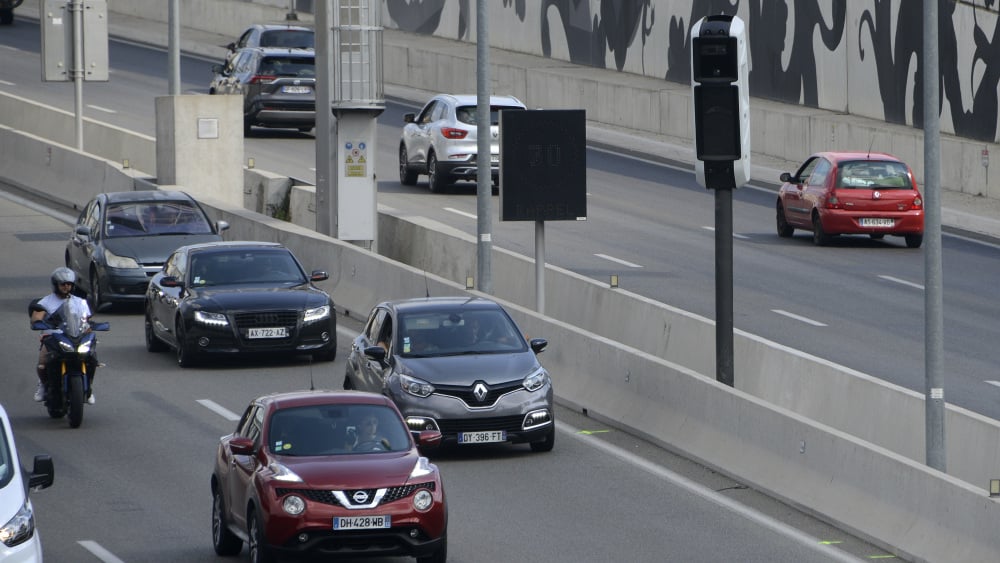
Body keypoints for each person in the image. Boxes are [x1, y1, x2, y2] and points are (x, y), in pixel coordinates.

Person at [30, 267, 97, 404]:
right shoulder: (46, 301)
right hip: (53, 338)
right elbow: (36, 317)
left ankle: (88, 388)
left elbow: (86, 320)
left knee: (92, 358)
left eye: (69, 284)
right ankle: (43, 385)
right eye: (63, 284)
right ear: (56, 285)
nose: (66, 287)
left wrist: (90, 328)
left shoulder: (80, 302)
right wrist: (38, 322)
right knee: (42, 363)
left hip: (75, 336)